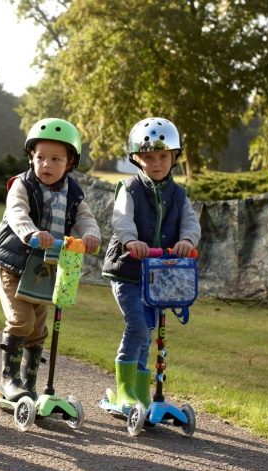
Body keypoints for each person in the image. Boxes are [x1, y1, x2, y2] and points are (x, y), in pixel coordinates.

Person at [0, 118, 101, 401]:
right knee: (21, 320)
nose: (46, 164)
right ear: (31, 157)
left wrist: (91, 235)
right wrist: (31, 233)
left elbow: (85, 218)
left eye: (56, 159)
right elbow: (16, 212)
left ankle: (28, 383)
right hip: (14, 263)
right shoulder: (22, 185)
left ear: (70, 162)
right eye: (40, 157)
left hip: (45, 267)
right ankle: (7, 379)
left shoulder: (73, 193)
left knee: (38, 327)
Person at [101, 117, 201, 410]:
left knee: (148, 334)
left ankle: (140, 390)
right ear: (137, 158)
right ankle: (124, 391)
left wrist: (187, 241)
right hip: (128, 270)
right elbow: (121, 218)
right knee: (138, 327)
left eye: (163, 157)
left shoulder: (179, 194)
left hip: (157, 274)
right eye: (149, 157)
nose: (156, 163)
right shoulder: (129, 188)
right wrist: (131, 241)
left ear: (174, 157)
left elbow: (191, 223)